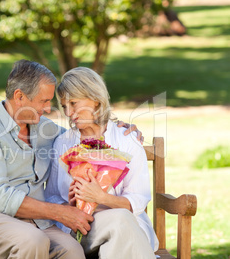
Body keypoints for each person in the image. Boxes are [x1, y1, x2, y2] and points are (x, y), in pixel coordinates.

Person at [0, 60, 142, 259]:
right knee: (33, 241)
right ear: (19, 96)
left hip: (38, 223)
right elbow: (2, 198)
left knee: (72, 250)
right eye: (43, 101)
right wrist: (60, 213)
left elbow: (83, 135)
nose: (48, 109)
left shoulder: (45, 129)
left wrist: (117, 127)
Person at [45, 67, 159, 259]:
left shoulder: (126, 140)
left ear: (95, 99)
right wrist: (71, 206)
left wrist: (102, 198)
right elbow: (52, 197)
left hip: (125, 227)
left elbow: (138, 200)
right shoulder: (63, 143)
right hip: (81, 230)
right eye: (64, 106)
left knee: (121, 221)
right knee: (121, 223)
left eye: (73, 103)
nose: (69, 112)